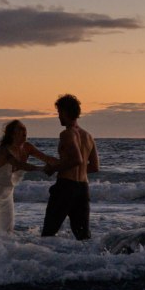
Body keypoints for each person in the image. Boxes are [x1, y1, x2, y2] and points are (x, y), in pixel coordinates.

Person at [0, 120, 53, 233]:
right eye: (20, 129)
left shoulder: (27, 147)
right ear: (12, 133)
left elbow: (46, 158)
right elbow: (19, 164)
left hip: (7, 196)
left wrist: (65, 165)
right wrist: (42, 169)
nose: (24, 131)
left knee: (8, 232)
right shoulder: (4, 149)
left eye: (24, 128)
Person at [42, 93, 99, 240]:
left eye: (59, 112)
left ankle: (45, 263)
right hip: (83, 188)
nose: (58, 116)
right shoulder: (88, 136)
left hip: (66, 187)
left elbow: (77, 159)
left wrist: (53, 168)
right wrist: (76, 170)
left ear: (66, 112)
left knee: (48, 232)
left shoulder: (67, 134)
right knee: (83, 237)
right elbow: (94, 167)